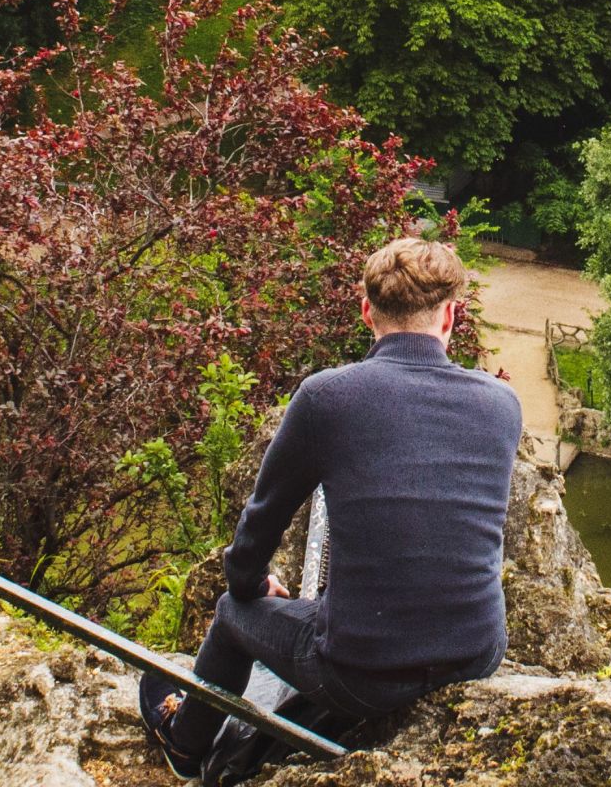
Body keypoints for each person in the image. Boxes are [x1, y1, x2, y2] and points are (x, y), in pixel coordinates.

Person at [139, 238, 523, 779]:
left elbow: (261, 522)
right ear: (451, 316)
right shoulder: (502, 404)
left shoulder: (327, 398)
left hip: (362, 672)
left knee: (230, 614)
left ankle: (184, 746)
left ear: (367, 310)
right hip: (477, 653)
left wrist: (247, 586)